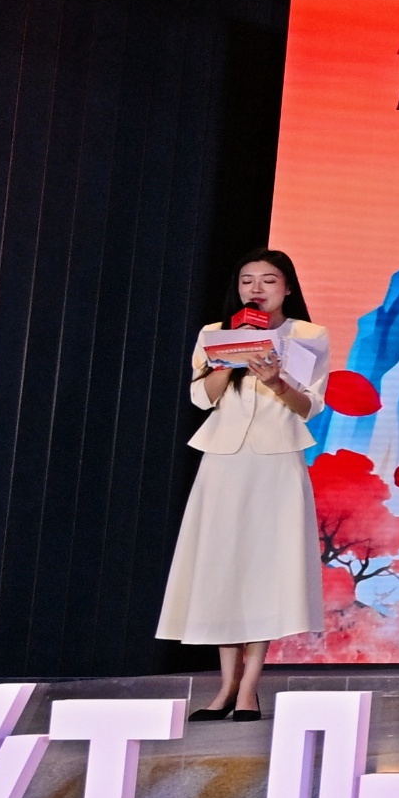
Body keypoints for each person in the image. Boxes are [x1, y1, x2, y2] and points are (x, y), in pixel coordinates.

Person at [161, 250, 332, 719]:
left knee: (263, 569)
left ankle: (248, 688)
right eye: (246, 280)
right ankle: (225, 686)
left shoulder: (308, 336)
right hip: (224, 460)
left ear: (288, 287)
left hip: (276, 461)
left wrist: (277, 382)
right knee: (224, 566)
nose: (256, 289)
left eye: (268, 280)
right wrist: (228, 360)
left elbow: (309, 406)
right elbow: (201, 398)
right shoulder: (215, 334)